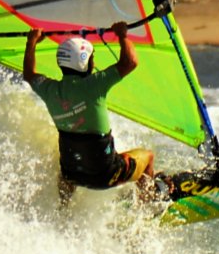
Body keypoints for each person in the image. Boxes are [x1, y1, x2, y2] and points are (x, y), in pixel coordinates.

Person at [24, 22, 156, 202]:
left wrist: (31, 42)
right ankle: (147, 207)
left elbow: (29, 74)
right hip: (106, 175)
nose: (94, 62)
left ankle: (63, 213)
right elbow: (130, 62)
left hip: (72, 175)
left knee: (66, 174)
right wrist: (122, 35)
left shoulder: (49, 90)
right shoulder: (94, 85)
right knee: (147, 156)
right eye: (92, 58)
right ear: (84, 61)